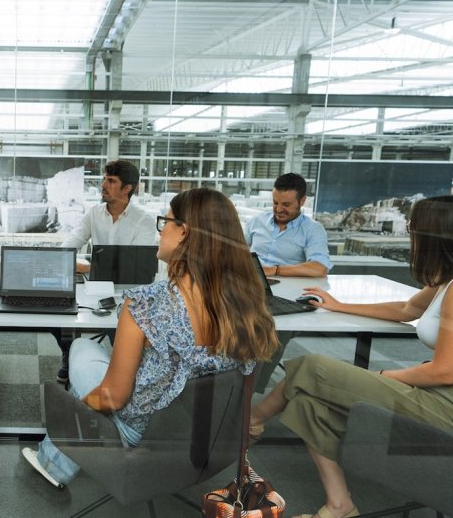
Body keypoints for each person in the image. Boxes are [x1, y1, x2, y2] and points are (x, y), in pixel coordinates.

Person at [249, 195, 453, 518]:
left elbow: (444, 372)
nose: (411, 235)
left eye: (414, 228)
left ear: (439, 235)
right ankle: (340, 505)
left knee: (312, 367)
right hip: (448, 395)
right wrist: (338, 305)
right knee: (311, 404)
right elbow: (406, 310)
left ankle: (251, 423)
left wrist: (385, 377)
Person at [22, 188, 279, 488]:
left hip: (141, 434)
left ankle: (52, 459)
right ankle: (55, 459)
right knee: (104, 355)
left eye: (166, 222)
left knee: (81, 348)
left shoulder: (147, 304)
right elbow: (242, 389)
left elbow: (113, 398)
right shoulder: (249, 305)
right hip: (209, 433)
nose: (161, 231)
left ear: (184, 232)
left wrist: (74, 410)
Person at [53, 159, 158, 381]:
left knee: (120, 334)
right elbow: (69, 246)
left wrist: (88, 266)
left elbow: (137, 266)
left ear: (127, 188)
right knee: (54, 314)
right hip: (97, 286)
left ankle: (119, 370)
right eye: (104, 179)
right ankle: (67, 352)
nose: (103, 184)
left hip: (127, 292)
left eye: (111, 181)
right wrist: (67, 259)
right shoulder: (94, 213)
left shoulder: (144, 221)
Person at [244, 172, 331, 278]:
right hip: (252, 282)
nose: (279, 209)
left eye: (286, 204)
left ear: (302, 201)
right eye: (275, 203)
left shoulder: (313, 229)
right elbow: (233, 250)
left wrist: (275, 270)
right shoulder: (257, 221)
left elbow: (320, 268)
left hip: (287, 288)